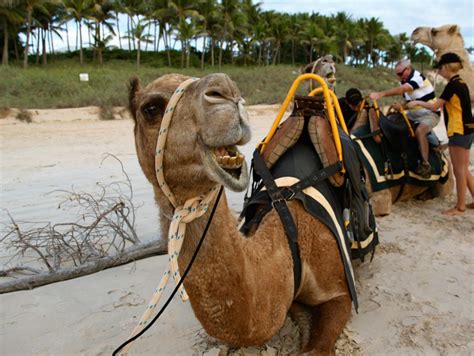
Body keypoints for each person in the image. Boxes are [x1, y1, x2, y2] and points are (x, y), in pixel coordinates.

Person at [407, 52, 474, 215]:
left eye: (439, 68)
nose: (439, 72)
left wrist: (416, 102)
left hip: (458, 131)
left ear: (445, 68)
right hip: (468, 129)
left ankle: (460, 207)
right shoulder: (462, 83)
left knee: (458, 169)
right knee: (464, 168)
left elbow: (435, 106)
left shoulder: (452, 85)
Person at [369, 59, 440, 178]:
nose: (399, 77)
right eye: (397, 74)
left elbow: (403, 90)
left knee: (420, 131)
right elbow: (408, 103)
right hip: (413, 114)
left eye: (400, 74)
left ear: (408, 69)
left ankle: (425, 164)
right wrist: (400, 106)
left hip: (429, 113)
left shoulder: (417, 78)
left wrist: (381, 94)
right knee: (391, 121)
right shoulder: (404, 81)